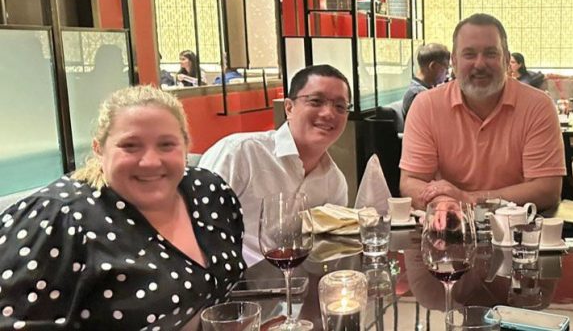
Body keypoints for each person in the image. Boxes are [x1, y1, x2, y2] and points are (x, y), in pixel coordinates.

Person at [0, 85, 245, 329]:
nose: (150, 161)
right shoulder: (60, 219)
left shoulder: (209, 191)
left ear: (186, 145)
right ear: (99, 149)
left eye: (166, 145)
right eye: (130, 146)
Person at [400, 13, 565, 211]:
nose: (479, 64)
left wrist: (468, 199)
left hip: (518, 230)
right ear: (454, 61)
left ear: (506, 59)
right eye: (469, 54)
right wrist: (446, 203)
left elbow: (547, 190)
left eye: (490, 53)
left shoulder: (538, 106)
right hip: (448, 226)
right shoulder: (426, 105)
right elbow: (410, 182)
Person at [200, 64, 351, 265]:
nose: (328, 113)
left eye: (340, 106)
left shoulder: (334, 182)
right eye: (316, 101)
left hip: (293, 286)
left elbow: (329, 254)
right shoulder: (241, 152)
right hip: (231, 286)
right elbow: (197, 226)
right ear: (289, 108)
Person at [403, 43, 451, 116]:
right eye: (446, 68)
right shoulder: (417, 95)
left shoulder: (425, 90)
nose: (447, 73)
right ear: (433, 66)